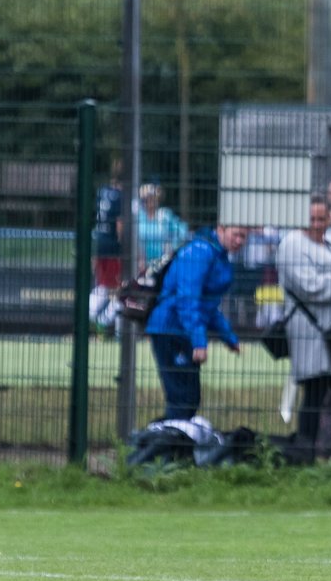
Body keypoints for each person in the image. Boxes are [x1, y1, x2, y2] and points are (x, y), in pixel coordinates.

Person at [276, 197, 331, 464]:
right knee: (314, 393)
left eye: (321, 219)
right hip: (311, 332)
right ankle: (305, 458)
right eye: (311, 219)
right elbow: (309, 286)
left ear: (330, 219)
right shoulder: (292, 244)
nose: (316, 225)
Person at [144, 223, 249, 421]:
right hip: (170, 329)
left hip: (183, 331)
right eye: (236, 234)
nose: (239, 241)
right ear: (221, 229)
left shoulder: (218, 255)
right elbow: (188, 300)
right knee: (181, 398)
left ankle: (172, 446)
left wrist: (229, 337)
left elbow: (208, 306)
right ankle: (157, 445)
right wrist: (199, 341)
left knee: (189, 399)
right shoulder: (200, 252)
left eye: (244, 237)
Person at [89, 161, 124, 333]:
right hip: (112, 247)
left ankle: (95, 319)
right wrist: (123, 246)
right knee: (118, 289)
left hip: (99, 242)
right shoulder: (120, 196)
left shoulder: (102, 192)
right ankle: (99, 320)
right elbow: (119, 225)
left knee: (103, 285)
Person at [135, 182, 188, 268]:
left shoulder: (164, 215)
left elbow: (183, 232)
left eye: (152, 197)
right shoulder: (138, 217)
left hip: (163, 264)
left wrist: (171, 249)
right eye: (146, 198)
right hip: (141, 264)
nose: (149, 200)